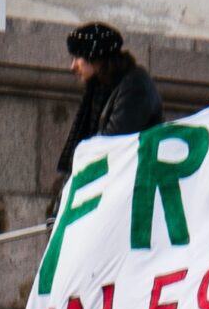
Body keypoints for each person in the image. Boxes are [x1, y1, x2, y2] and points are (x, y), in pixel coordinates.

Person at [55, 22, 164, 186]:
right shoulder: (100, 89)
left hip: (129, 188)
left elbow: (113, 145)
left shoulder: (134, 85)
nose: (73, 66)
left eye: (78, 57)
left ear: (95, 57)